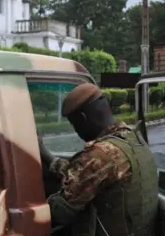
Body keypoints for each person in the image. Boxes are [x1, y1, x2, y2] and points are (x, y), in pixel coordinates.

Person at [37, 83, 158, 235]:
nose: (76, 131)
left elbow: (59, 212)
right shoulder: (133, 139)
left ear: (83, 117)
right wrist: (46, 155)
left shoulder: (101, 154)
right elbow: (83, 174)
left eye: (74, 125)